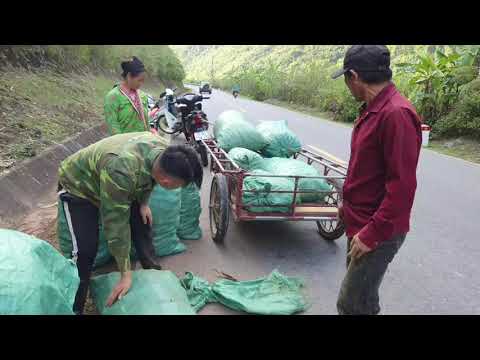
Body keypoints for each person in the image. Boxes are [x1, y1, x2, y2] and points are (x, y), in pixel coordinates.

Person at [57, 132, 202, 314]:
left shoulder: (165, 153)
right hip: (80, 188)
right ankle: (75, 307)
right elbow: (116, 226)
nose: (177, 190)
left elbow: (151, 178)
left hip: (114, 180)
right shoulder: (121, 169)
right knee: (85, 251)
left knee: (143, 222)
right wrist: (125, 274)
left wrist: (143, 203)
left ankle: (153, 274)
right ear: (167, 181)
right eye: (178, 186)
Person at [331, 45, 422, 315]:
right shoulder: (371, 109)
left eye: (346, 79)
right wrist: (347, 206)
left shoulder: (396, 115)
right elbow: (366, 170)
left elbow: (402, 187)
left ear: (354, 76)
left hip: (378, 229)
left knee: (351, 304)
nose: (347, 86)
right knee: (363, 299)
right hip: (359, 220)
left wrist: (372, 234)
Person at [104, 56, 156, 135]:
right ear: (129, 76)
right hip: (125, 145)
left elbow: (146, 122)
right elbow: (113, 126)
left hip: (142, 143)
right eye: (139, 80)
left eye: (143, 80)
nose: (141, 84)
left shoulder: (142, 96)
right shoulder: (113, 97)